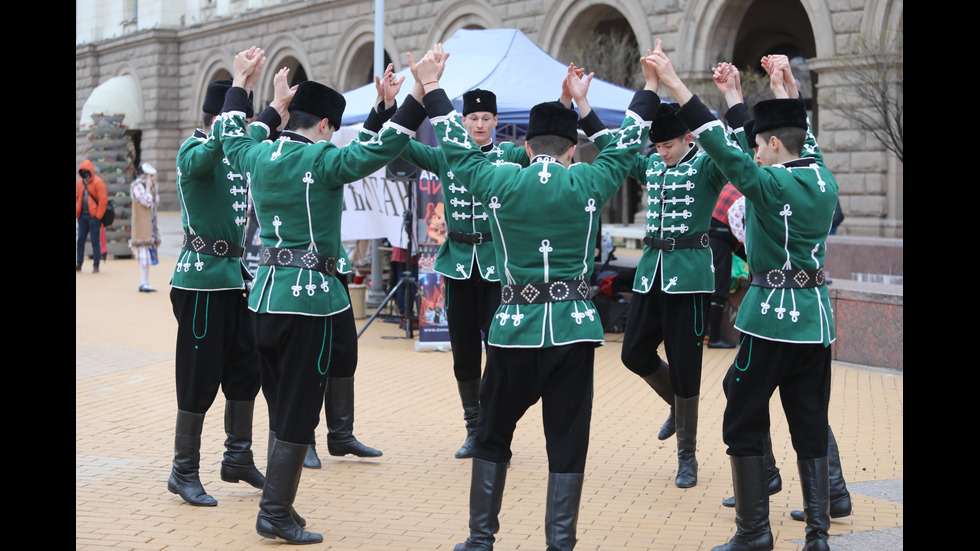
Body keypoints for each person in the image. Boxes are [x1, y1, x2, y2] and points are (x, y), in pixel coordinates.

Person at [410, 43, 663, 550]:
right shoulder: (591, 179)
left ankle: (481, 540)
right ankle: (559, 544)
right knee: (567, 442)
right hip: (572, 329)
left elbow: (457, 146)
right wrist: (651, 85)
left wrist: (434, 85)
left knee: (492, 435)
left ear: (526, 148)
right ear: (572, 149)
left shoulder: (498, 178)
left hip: (515, 329)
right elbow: (628, 140)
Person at [215, 48, 427, 544]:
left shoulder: (257, 153)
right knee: (298, 410)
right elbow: (382, 148)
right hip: (309, 303)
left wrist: (248, 87)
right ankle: (275, 513)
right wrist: (417, 93)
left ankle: (279, 503)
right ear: (328, 125)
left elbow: (229, 132)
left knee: (279, 405)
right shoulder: (325, 159)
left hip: (263, 297)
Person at [650, 47, 839, 550]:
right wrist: (777, 89)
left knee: (741, 421)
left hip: (770, 320)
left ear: (774, 145)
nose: (754, 152)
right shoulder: (822, 176)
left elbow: (719, 145)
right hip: (816, 321)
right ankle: (817, 537)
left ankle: (754, 533)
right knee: (810, 424)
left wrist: (674, 83)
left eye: (760, 145)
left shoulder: (768, 183)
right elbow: (800, 136)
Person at [581, 50, 749, 489]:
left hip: (690, 275)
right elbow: (613, 149)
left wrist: (731, 96)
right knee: (633, 353)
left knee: (687, 363)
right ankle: (677, 404)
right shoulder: (653, 163)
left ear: (688, 138)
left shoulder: (707, 166)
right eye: (656, 146)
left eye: (668, 144)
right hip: (652, 270)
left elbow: (736, 147)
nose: (661, 152)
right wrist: (583, 106)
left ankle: (687, 457)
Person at [167, 49, 291, 509]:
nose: (241, 130)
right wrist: (239, 83)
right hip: (200, 280)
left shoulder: (231, 139)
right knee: (198, 375)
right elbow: (227, 139)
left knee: (246, 369)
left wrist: (277, 105)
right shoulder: (193, 152)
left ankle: (237, 456)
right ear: (220, 118)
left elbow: (255, 130)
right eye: (233, 118)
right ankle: (183, 471)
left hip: (236, 277)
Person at [396, 87, 530, 459]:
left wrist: (567, 102)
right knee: (465, 352)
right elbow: (401, 147)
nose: (480, 124)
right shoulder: (446, 156)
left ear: (496, 122)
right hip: (457, 263)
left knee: (501, 348)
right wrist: (390, 107)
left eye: (486, 118)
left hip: (495, 265)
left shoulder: (509, 156)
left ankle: (494, 424)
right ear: (463, 121)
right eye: (473, 118)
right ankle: (474, 429)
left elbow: (542, 147)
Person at [302, 69, 408, 470]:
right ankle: (304, 437)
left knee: (344, 352)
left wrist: (381, 108)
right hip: (301, 278)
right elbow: (360, 152)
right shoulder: (299, 154)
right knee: (310, 360)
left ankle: (340, 435)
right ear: (324, 123)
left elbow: (360, 143)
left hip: (333, 271)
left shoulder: (321, 149)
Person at [706, 182, 747, 348]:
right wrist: (744, 239)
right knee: (719, 291)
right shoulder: (747, 190)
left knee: (707, 289)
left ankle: (703, 334)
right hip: (720, 240)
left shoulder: (729, 184)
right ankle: (714, 338)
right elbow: (734, 214)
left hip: (705, 235)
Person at [130, 162, 161, 292]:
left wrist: (153, 189)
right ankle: (144, 283)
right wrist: (148, 189)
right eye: (150, 176)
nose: (152, 179)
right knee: (143, 253)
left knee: (148, 253)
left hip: (149, 225)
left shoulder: (146, 186)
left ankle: (145, 282)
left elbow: (156, 202)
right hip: (142, 225)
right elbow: (147, 201)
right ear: (144, 176)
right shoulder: (137, 186)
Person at [76, 159, 108, 273]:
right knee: (80, 240)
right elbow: (77, 198)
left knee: (95, 241)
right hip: (82, 217)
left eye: (86, 171)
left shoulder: (98, 183)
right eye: (82, 171)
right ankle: (79, 263)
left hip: (93, 217)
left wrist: (98, 216)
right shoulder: (80, 183)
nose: (84, 173)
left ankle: (96, 265)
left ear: (90, 171)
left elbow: (103, 200)